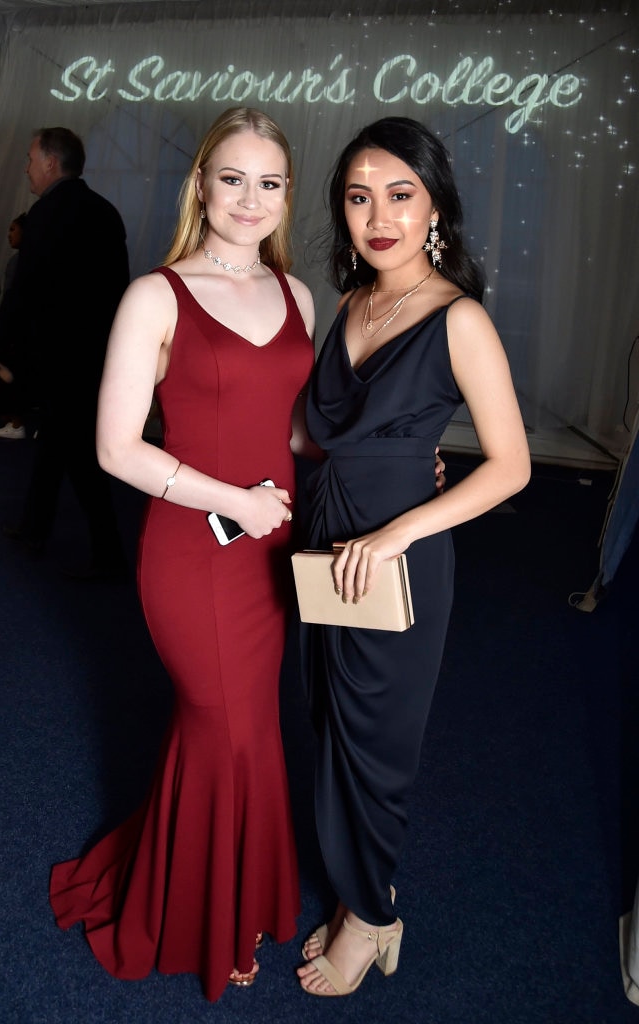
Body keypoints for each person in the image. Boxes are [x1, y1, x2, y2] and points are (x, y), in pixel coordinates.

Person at [47, 108, 316, 1000]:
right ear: (200, 183)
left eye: (269, 182)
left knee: (249, 728)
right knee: (223, 727)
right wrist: (232, 499)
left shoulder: (298, 296)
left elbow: (292, 431)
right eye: (232, 177)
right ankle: (204, 915)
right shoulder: (154, 295)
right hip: (191, 555)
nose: (250, 198)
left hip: (269, 557)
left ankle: (220, 893)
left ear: (287, 193)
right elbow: (116, 448)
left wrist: (385, 458)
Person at [296, 116, 531, 997]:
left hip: (397, 554)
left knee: (377, 744)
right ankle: (365, 888)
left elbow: (512, 467)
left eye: (401, 195)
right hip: (325, 539)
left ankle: (372, 919)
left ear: (435, 207)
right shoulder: (352, 305)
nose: (378, 216)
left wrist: (402, 526)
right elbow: (312, 431)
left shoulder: (458, 317)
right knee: (329, 729)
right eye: (360, 197)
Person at [0, 128, 130, 578]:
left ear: (50, 164)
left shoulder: (46, 215)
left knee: (77, 453)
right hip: (95, 355)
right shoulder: (104, 212)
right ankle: (35, 528)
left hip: (62, 360)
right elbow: (117, 293)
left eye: (29, 158)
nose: (26, 167)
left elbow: (24, 296)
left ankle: (108, 554)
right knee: (59, 445)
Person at [0, 213, 29, 440]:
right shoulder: (23, 260)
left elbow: (11, 298)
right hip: (25, 326)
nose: (9, 235)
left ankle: (17, 423)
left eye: (13, 230)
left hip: (18, 328)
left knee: (16, 374)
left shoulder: (20, 262)